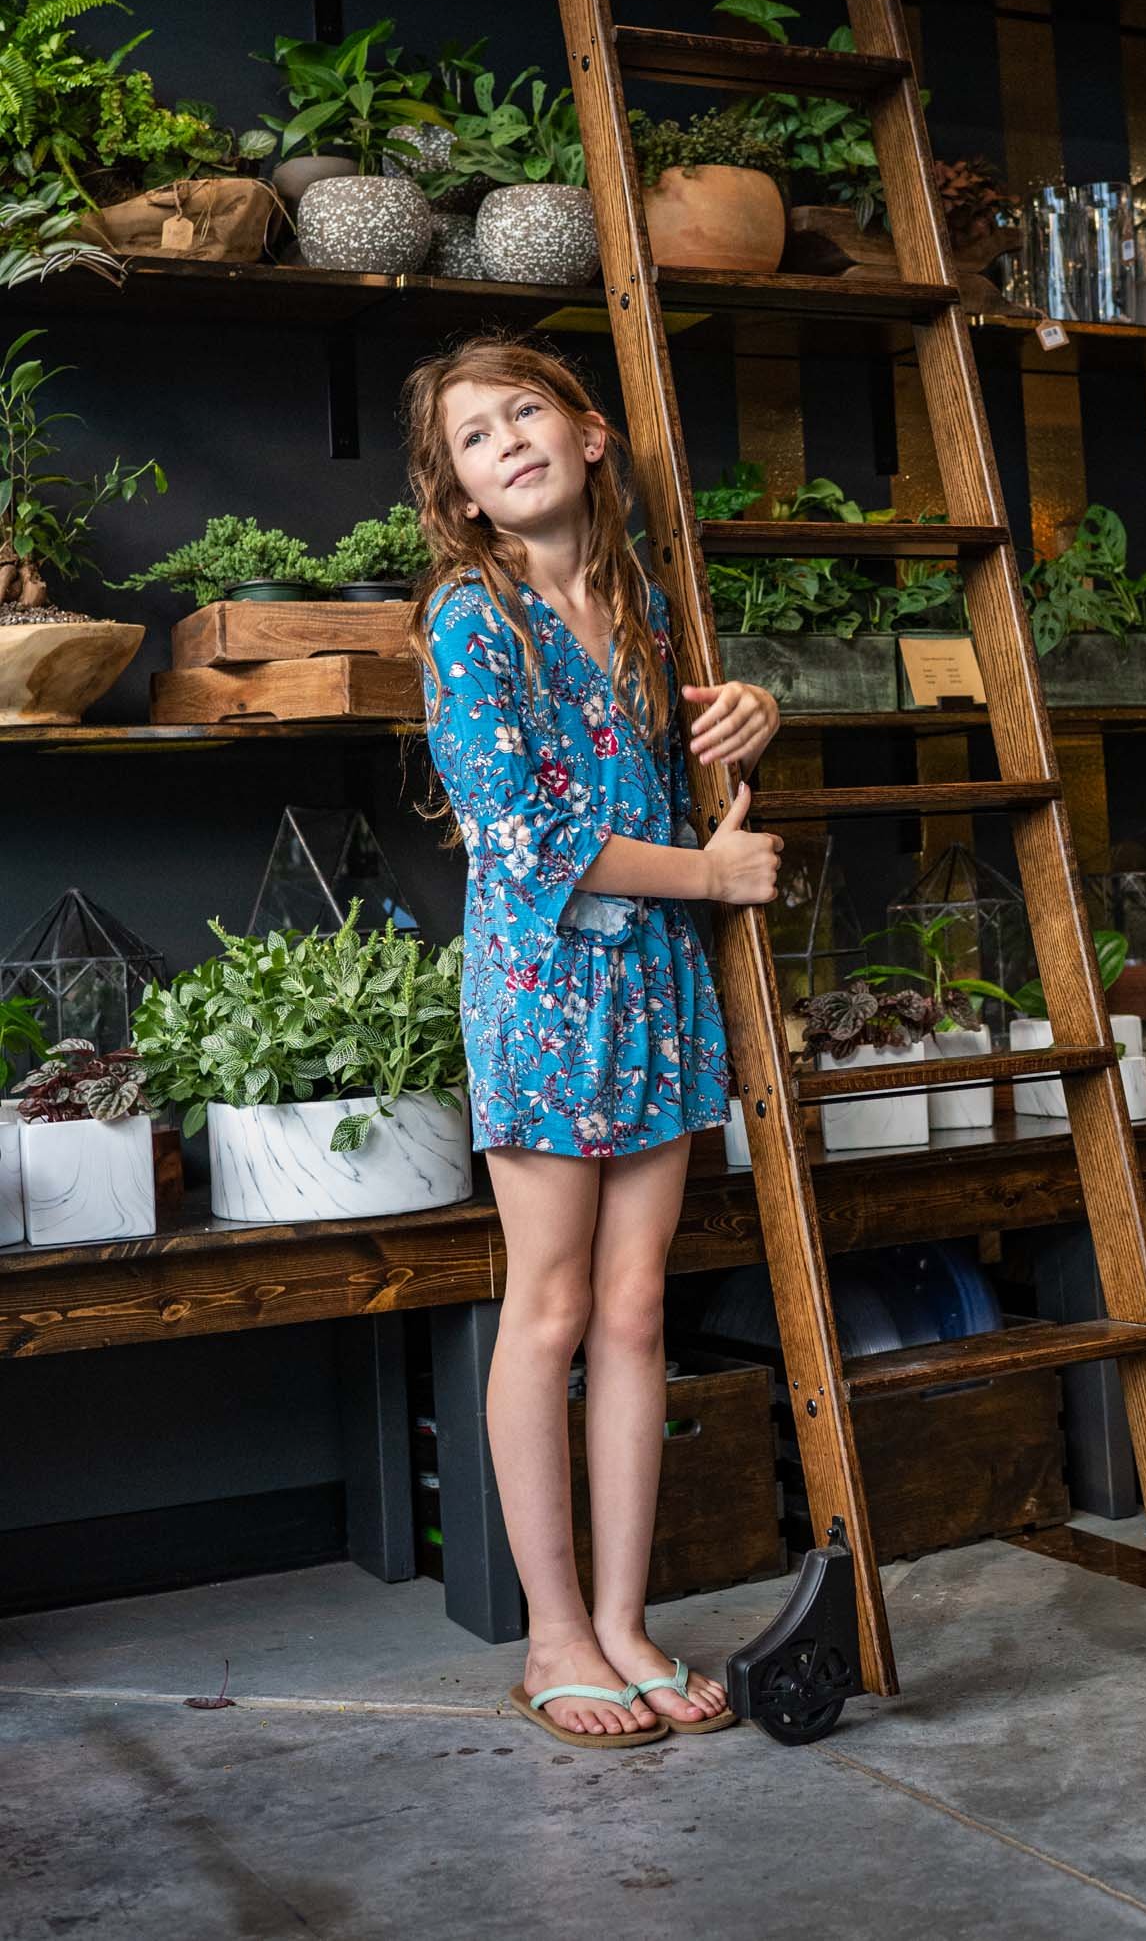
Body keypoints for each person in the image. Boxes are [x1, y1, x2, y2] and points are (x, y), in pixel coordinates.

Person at [404, 336, 783, 1751]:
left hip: (658, 994)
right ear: (460, 495)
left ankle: (624, 1621)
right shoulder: (468, 618)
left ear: (592, 435)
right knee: (551, 1310)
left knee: (637, 1315)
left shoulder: (646, 607)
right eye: (472, 438)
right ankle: (551, 1633)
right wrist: (711, 876)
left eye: (525, 412)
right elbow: (523, 837)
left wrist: (753, 721)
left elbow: (692, 788)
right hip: (544, 997)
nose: (505, 441)